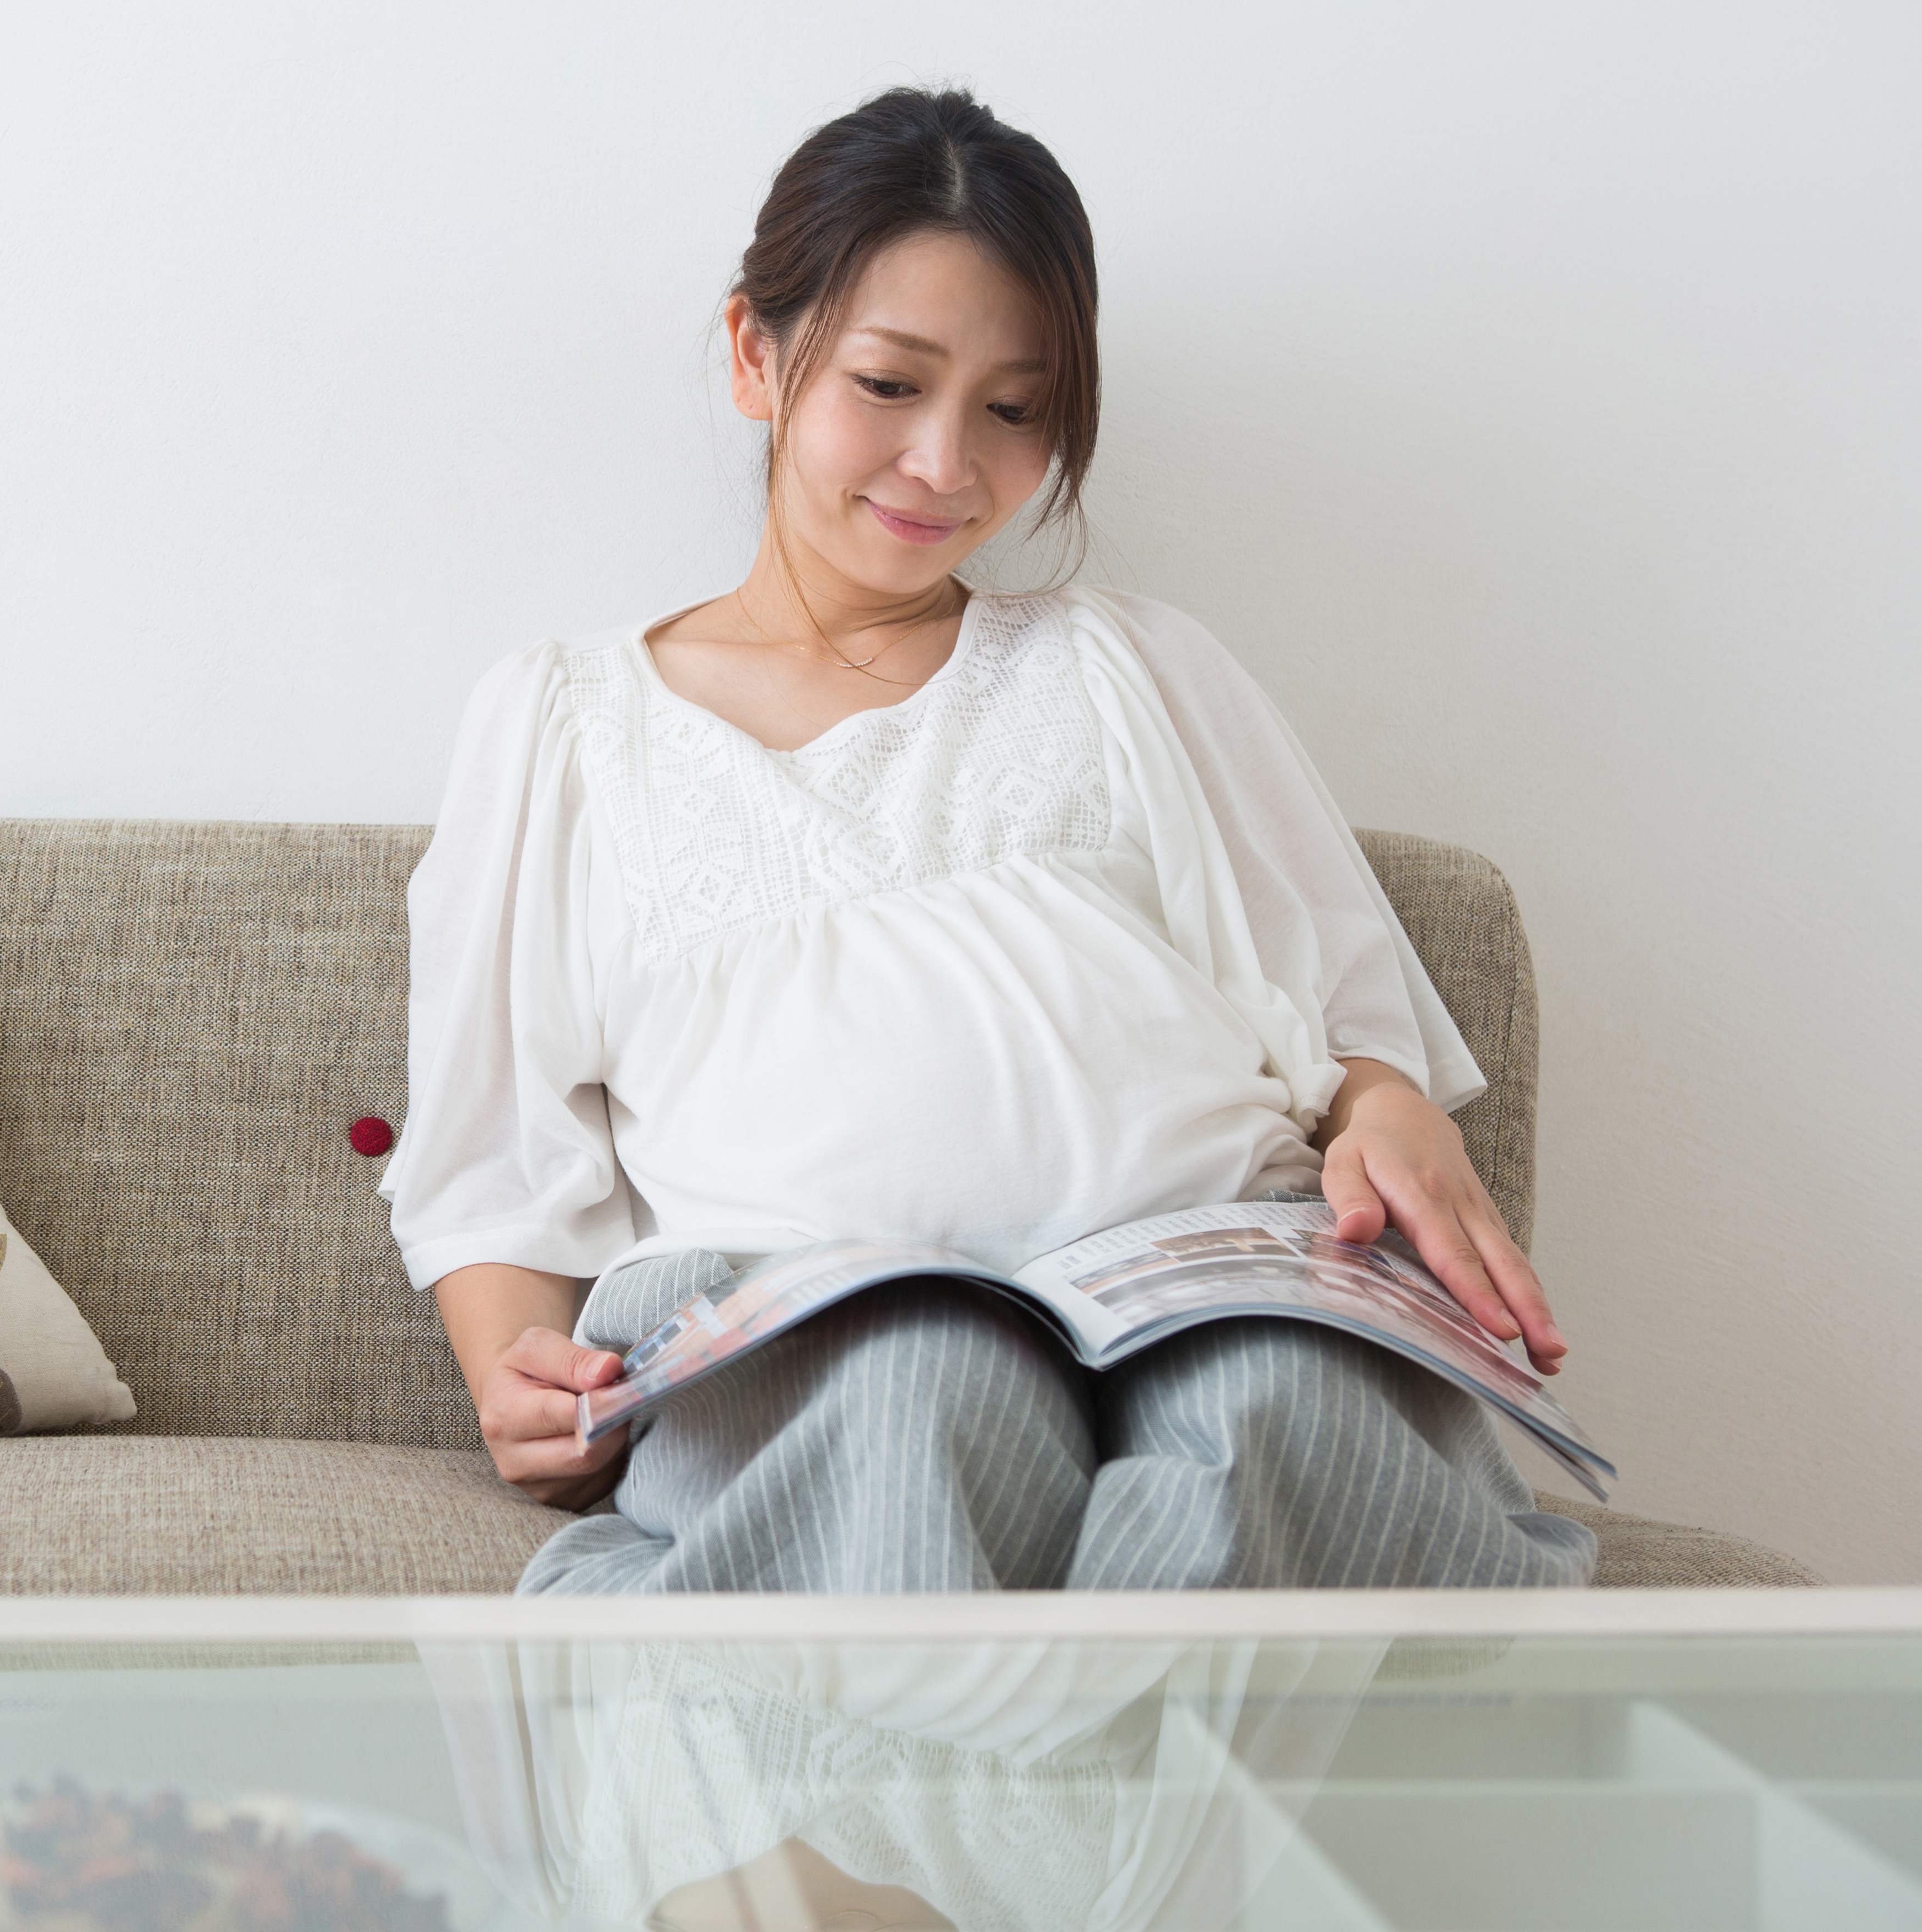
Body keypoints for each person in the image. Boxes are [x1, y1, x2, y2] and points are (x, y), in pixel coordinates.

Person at [378, 87, 1597, 1593]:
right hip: (805, 1313)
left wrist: (1388, 1105)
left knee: (1283, 1423)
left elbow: (1338, 1015)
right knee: (921, 1395)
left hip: (1207, 1280)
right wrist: (515, 1371)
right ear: (758, 354)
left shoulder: (1131, 665)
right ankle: (1061, 1800)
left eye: (1014, 411)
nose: (947, 465)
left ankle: (1033, 1802)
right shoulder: (564, 721)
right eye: (890, 385)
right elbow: (494, 1159)